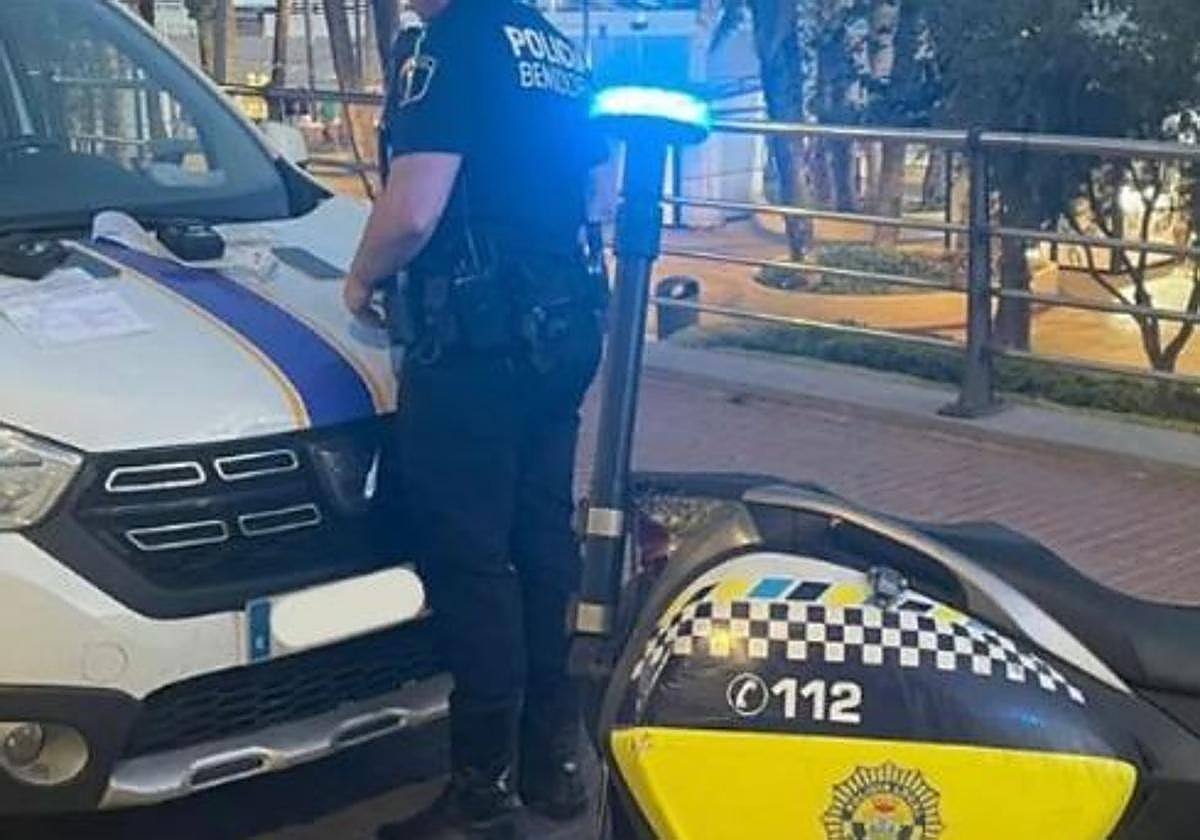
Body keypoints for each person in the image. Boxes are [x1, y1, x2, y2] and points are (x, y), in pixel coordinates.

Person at [342, 0, 610, 836]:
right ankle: (553, 762)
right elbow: (600, 186)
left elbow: (414, 209)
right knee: (541, 539)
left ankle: (481, 789)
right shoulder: (553, 44)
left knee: (472, 557)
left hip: (477, 340)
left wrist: (360, 278)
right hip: (561, 325)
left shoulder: (449, 45)